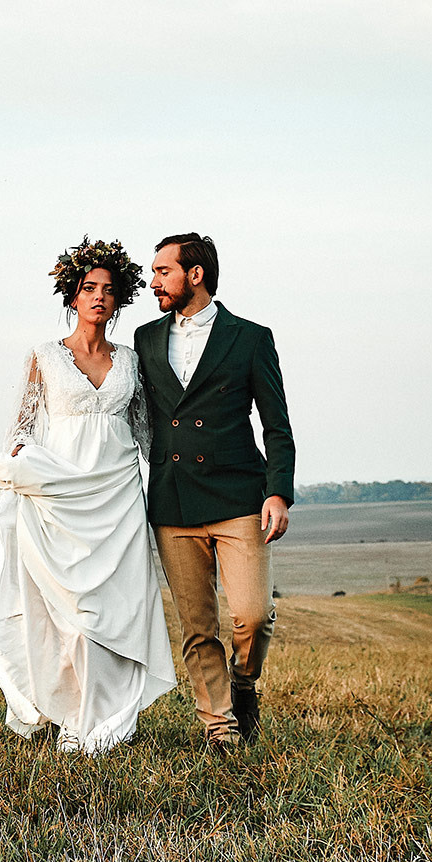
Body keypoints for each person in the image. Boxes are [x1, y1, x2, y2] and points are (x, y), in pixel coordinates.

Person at [0, 238, 177, 755]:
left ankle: (108, 716)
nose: (99, 297)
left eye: (109, 290)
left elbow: (148, 436)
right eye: (89, 288)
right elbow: (21, 429)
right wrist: (22, 468)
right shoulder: (44, 357)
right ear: (73, 296)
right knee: (71, 614)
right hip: (63, 495)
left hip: (117, 497)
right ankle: (72, 710)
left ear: (119, 300)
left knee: (116, 609)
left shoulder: (130, 361)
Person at [132, 233, 294, 756]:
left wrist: (278, 493)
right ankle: (219, 728)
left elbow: (276, 426)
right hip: (173, 500)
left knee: (252, 615)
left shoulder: (250, 338)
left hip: (238, 496)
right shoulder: (144, 339)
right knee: (197, 625)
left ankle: (244, 684)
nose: (153, 282)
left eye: (162, 271)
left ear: (195, 274)